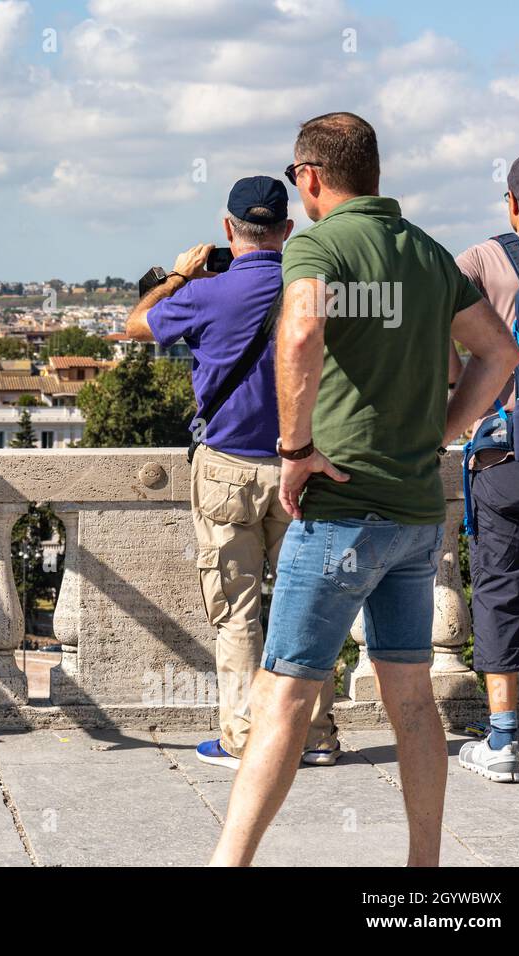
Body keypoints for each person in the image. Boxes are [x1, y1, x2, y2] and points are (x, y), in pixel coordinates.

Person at [210, 112, 519, 867]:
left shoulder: (317, 243)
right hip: (417, 512)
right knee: (411, 698)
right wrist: (442, 431)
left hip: (343, 509)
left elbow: (300, 334)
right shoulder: (425, 252)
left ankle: (228, 865)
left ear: (310, 177)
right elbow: (498, 352)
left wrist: (293, 450)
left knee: (282, 694)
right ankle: (423, 871)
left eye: (295, 179)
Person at [126, 176, 339, 770]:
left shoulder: (207, 292)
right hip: (305, 466)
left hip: (228, 469)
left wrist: (178, 276)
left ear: (228, 230)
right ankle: (314, 736)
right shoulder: (316, 290)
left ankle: (245, 739)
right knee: (311, 605)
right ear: (288, 231)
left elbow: (135, 323)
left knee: (237, 612)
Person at [452, 148, 519, 783]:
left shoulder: (483, 260)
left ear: (513, 203)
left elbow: (434, 337)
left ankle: (504, 741)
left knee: (499, 591)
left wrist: (464, 409)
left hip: (510, 453)